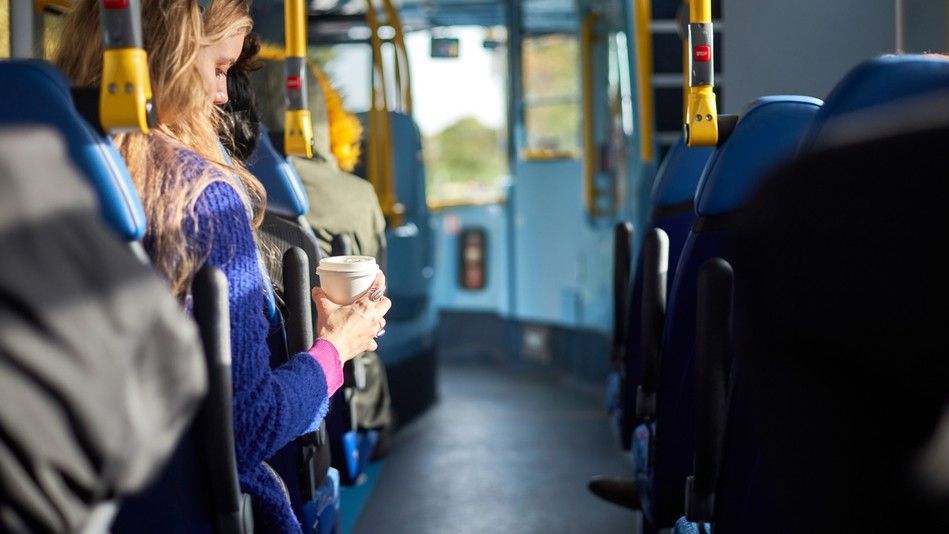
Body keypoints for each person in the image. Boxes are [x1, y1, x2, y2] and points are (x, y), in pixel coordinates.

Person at [54, 2, 390, 532]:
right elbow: (248, 428)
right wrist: (335, 349)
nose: (221, 94)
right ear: (169, 59)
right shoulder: (200, 200)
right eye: (217, 69)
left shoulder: (38, 172)